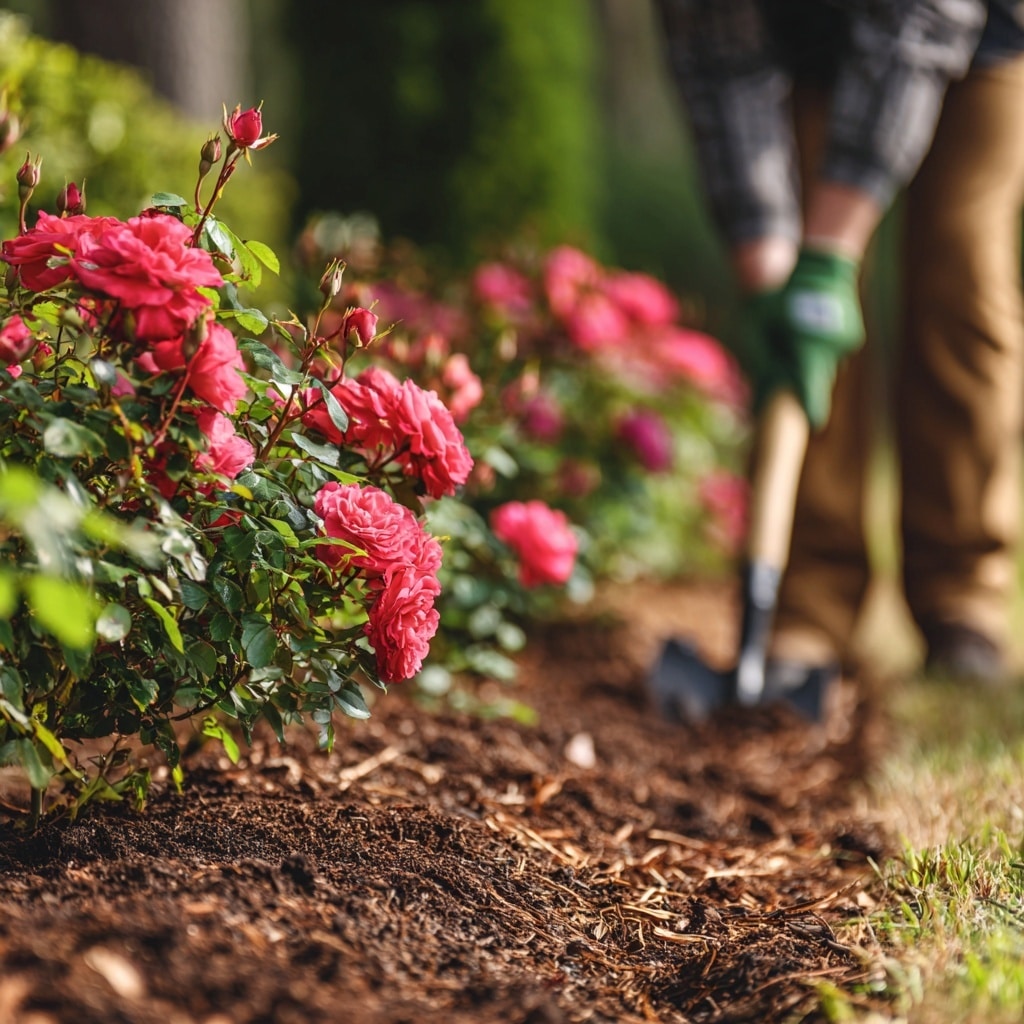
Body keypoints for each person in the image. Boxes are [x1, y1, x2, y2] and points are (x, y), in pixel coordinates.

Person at [652, 0, 1024, 700]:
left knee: (960, 279)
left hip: (976, 31)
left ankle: (963, 594)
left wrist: (827, 257)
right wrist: (773, 269)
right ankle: (808, 602)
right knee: (805, 315)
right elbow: (716, 59)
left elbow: (922, 24)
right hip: (813, 42)